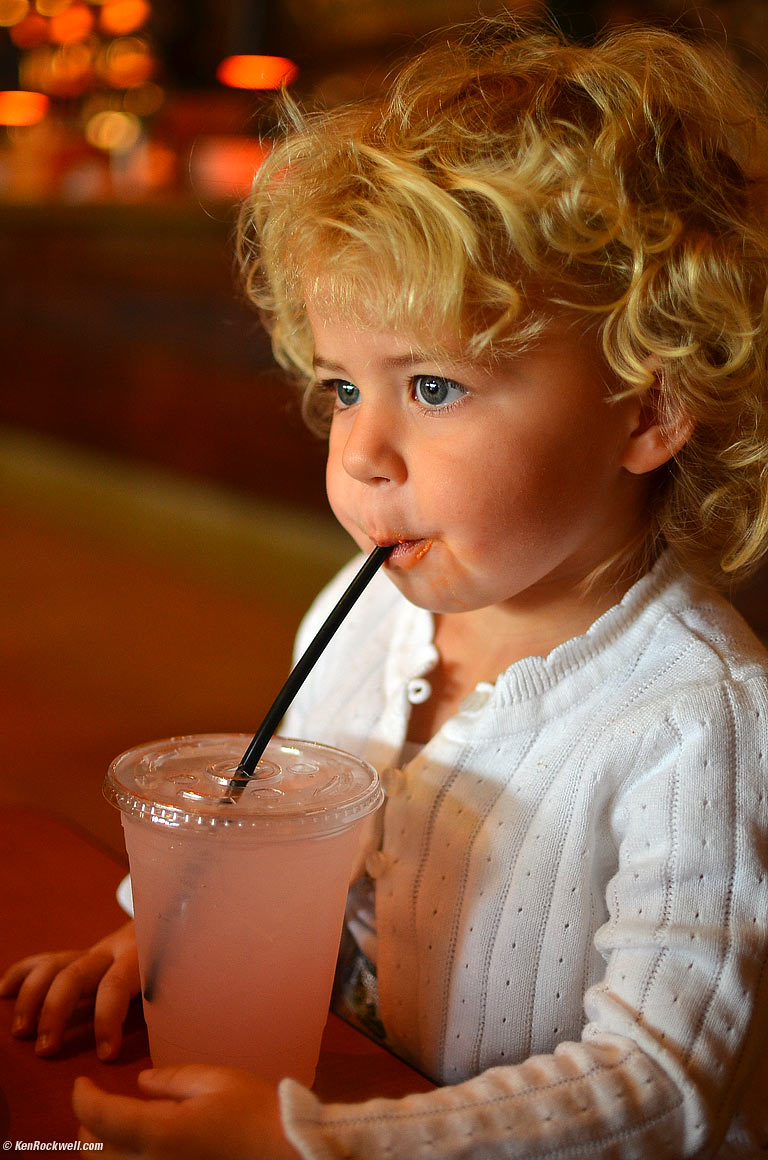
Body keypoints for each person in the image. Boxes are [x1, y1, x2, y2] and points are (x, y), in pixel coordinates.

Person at [3, 15, 768, 1158]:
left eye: (436, 385)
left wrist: (318, 1142)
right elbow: (288, 848)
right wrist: (160, 935)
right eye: (343, 386)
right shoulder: (361, 615)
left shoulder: (706, 723)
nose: (360, 450)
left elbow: (660, 1088)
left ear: (647, 407)